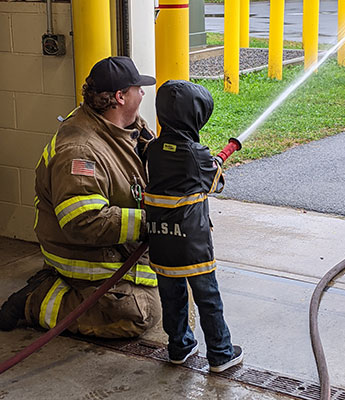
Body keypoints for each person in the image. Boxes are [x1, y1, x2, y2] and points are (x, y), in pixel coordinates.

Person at [0, 56, 162, 338]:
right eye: (138, 88)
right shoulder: (80, 151)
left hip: (120, 243)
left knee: (176, 281)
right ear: (120, 97)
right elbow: (84, 222)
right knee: (140, 312)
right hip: (84, 253)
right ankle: (36, 301)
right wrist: (151, 221)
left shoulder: (128, 124)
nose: (143, 92)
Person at [144, 80, 243, 372]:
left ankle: (179, 347)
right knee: (207, 298)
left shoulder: (153, 148)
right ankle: (221, 353)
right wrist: (219, 160)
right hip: (193, 245)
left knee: (171, 297)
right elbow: (215, 183)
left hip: (161, 242)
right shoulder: (196, 155)